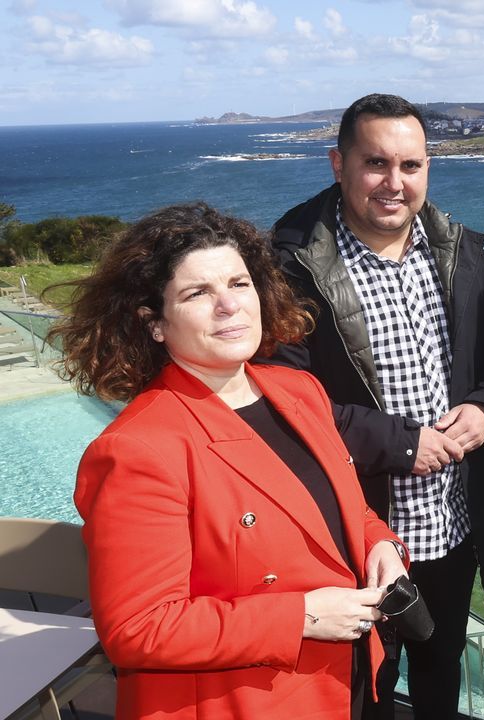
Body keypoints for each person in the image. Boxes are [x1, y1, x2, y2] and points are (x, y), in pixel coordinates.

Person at [54, 203, 409, 719]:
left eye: (239, 284)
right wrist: (300, 616)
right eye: (198, 293)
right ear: (153, 323)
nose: (229, 306)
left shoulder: (298, 390)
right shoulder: (138, 450)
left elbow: (339, 511)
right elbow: (137, 629)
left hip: (343, 682)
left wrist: (381, 545)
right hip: (243, 703)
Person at [270, 93, 484, 718]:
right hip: (356, 534)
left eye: (411, 166)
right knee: (365, 689)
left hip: (452, 525)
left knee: (442, 672)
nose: (395, 184)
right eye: (376, 164)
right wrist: (401, 444)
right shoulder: (290, 262)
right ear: (338, 164)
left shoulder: (454, 246)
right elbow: (284, 395)